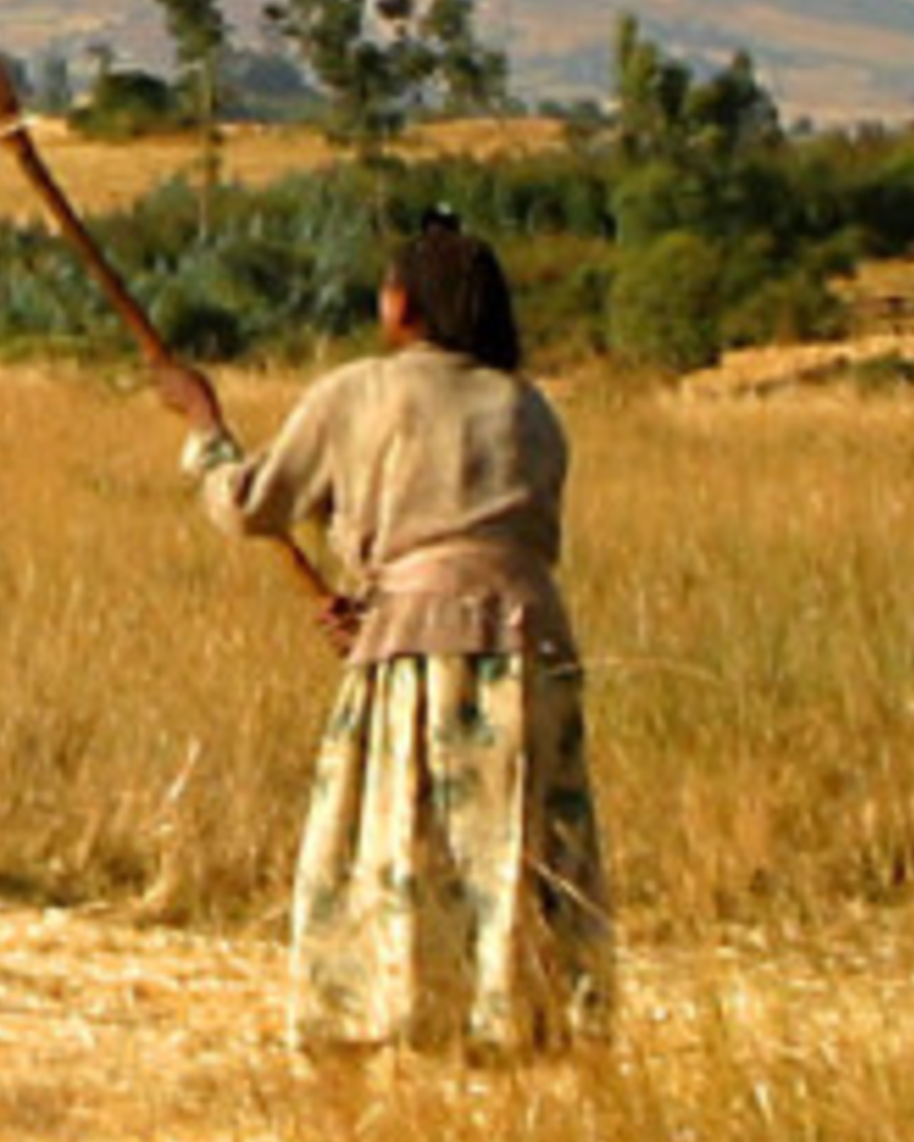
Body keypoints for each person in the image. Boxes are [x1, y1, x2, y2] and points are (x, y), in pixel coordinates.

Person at [176, 214, 611, 1057]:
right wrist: (376, 598)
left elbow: (252, 503)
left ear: (402, 303)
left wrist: (205, 429)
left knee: (398, 836)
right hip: (532, 647)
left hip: (417, 647)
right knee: (518, 845)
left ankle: (397, 1018)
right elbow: (482, 538)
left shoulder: (361, 392)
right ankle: (526, 1022)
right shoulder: (530, 408)